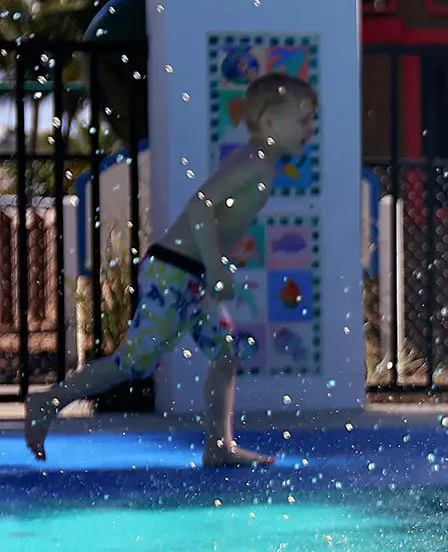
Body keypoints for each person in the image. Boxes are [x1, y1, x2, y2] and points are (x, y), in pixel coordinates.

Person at [24, 72, 319, 468]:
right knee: (133, 364)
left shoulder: (262, 164)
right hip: (175, 271)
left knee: (226, 351)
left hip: (192, 274)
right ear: (268, 122)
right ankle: (48, 401)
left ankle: (219, 445)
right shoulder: (253, 161)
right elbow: (200, 206)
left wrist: (217, 263)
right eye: (303, 119)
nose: (311, 128)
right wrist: (216, 266)